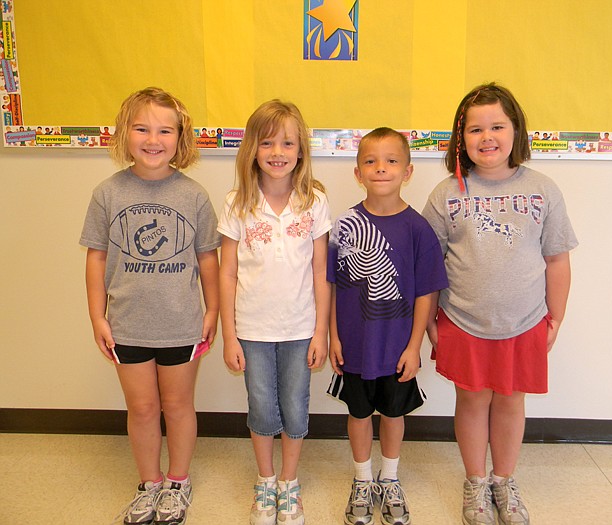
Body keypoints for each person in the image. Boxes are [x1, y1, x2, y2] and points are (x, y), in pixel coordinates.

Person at [422, 83, 578, 525]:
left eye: (496, 126)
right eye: (475, 129)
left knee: (510, 402)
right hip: (461, 321)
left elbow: (557, 258)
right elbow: (429, 264)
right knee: (471, 402)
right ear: (460, 137)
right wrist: (431, 320)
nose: (486, 137)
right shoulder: (445, 193)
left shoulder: (542, 188)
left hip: (526, 320)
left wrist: (557, 316)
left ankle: (503, 482)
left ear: (516, 131)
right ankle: (475, 482)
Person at [80, 87, 220, 525]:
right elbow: (97, 258)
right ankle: (150, 483)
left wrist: (212, 310)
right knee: (141, 408)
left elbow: (208, 258)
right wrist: (97, 316)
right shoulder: (108, 193)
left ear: (181, 138)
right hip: (127, 324)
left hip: (181, 324)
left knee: (178, 406)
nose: (153, 139)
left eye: (165, 130)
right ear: (124, 134)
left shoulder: (194, 195)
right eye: (142, 128)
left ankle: (178, 481)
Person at [218, 100, 331, 525]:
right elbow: (227, 274)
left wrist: (321, 331)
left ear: (301, 149)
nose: (278, 151)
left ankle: (289, 482)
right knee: (263, 407)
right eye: (267, 142)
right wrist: (230, 336)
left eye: (287, 142)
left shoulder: (314, 200)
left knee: (295, 407)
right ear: (252, 148)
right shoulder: (237, 203)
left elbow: (322, 271)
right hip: (252, 329)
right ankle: (265, 482)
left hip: (301, 327)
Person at [328, 127, 448, 525]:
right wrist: (332, 336)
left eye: (392, 161)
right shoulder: (344, 226)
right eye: (370, 161)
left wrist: (414, 346)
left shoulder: (418, 229)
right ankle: (363, 479)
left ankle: (390, 477)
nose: (381, 168)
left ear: (408, 171)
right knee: (359, 413)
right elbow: (329, 285)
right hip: (355, 346)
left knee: (394, 414)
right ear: (357, 172)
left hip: (398, 348)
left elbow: (426, 294)